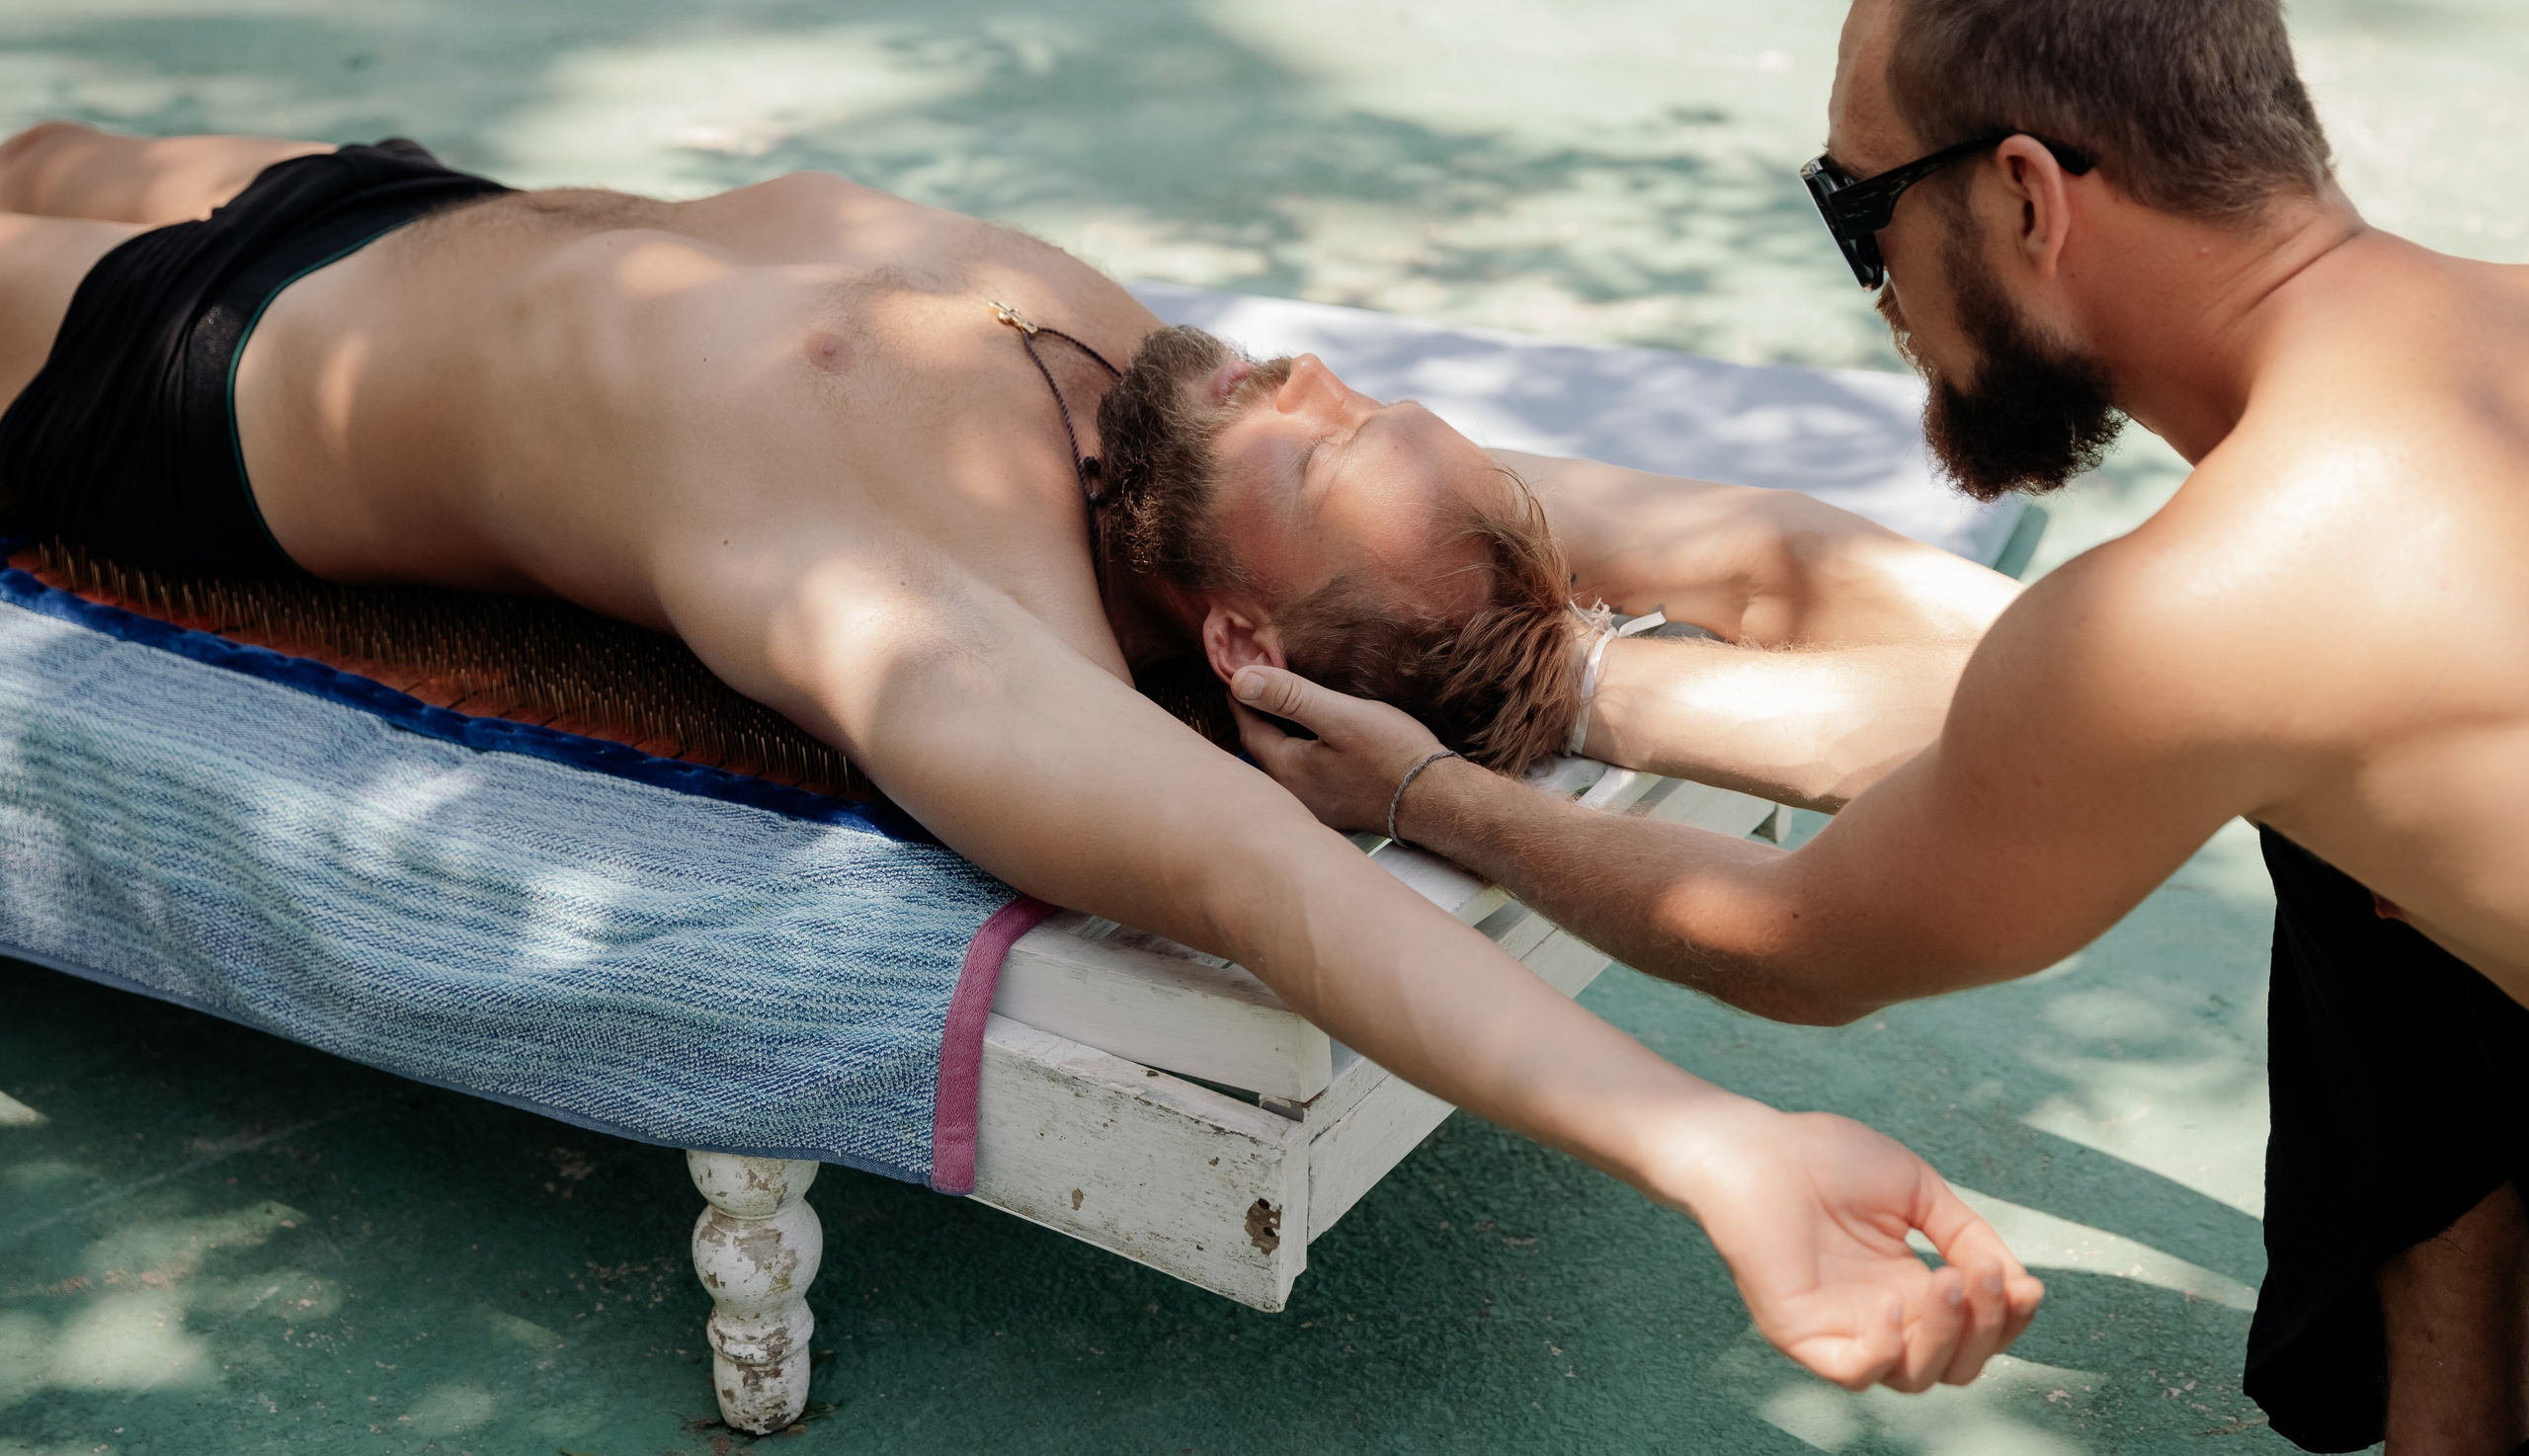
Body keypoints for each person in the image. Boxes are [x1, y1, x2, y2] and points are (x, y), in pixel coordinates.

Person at [0, 118, 2042, 1392]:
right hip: (399, 210)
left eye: (1316, 441)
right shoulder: (1175, 411)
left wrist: (1721, 1148)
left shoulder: (959, 632)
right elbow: (1756, 556)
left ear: (1241, 636)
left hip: (198, 383)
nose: (1311, 372)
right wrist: (2128, 668)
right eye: (1352, 400)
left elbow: (1270, 883)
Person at [1229, 0, 2529, 1454]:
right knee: (2357, 867)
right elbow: (1967, 693)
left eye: (1862, 211)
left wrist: (1427, 792)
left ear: (2028, 197)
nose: (1877, 284)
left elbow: (1797, 936)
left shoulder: (2210, 609)